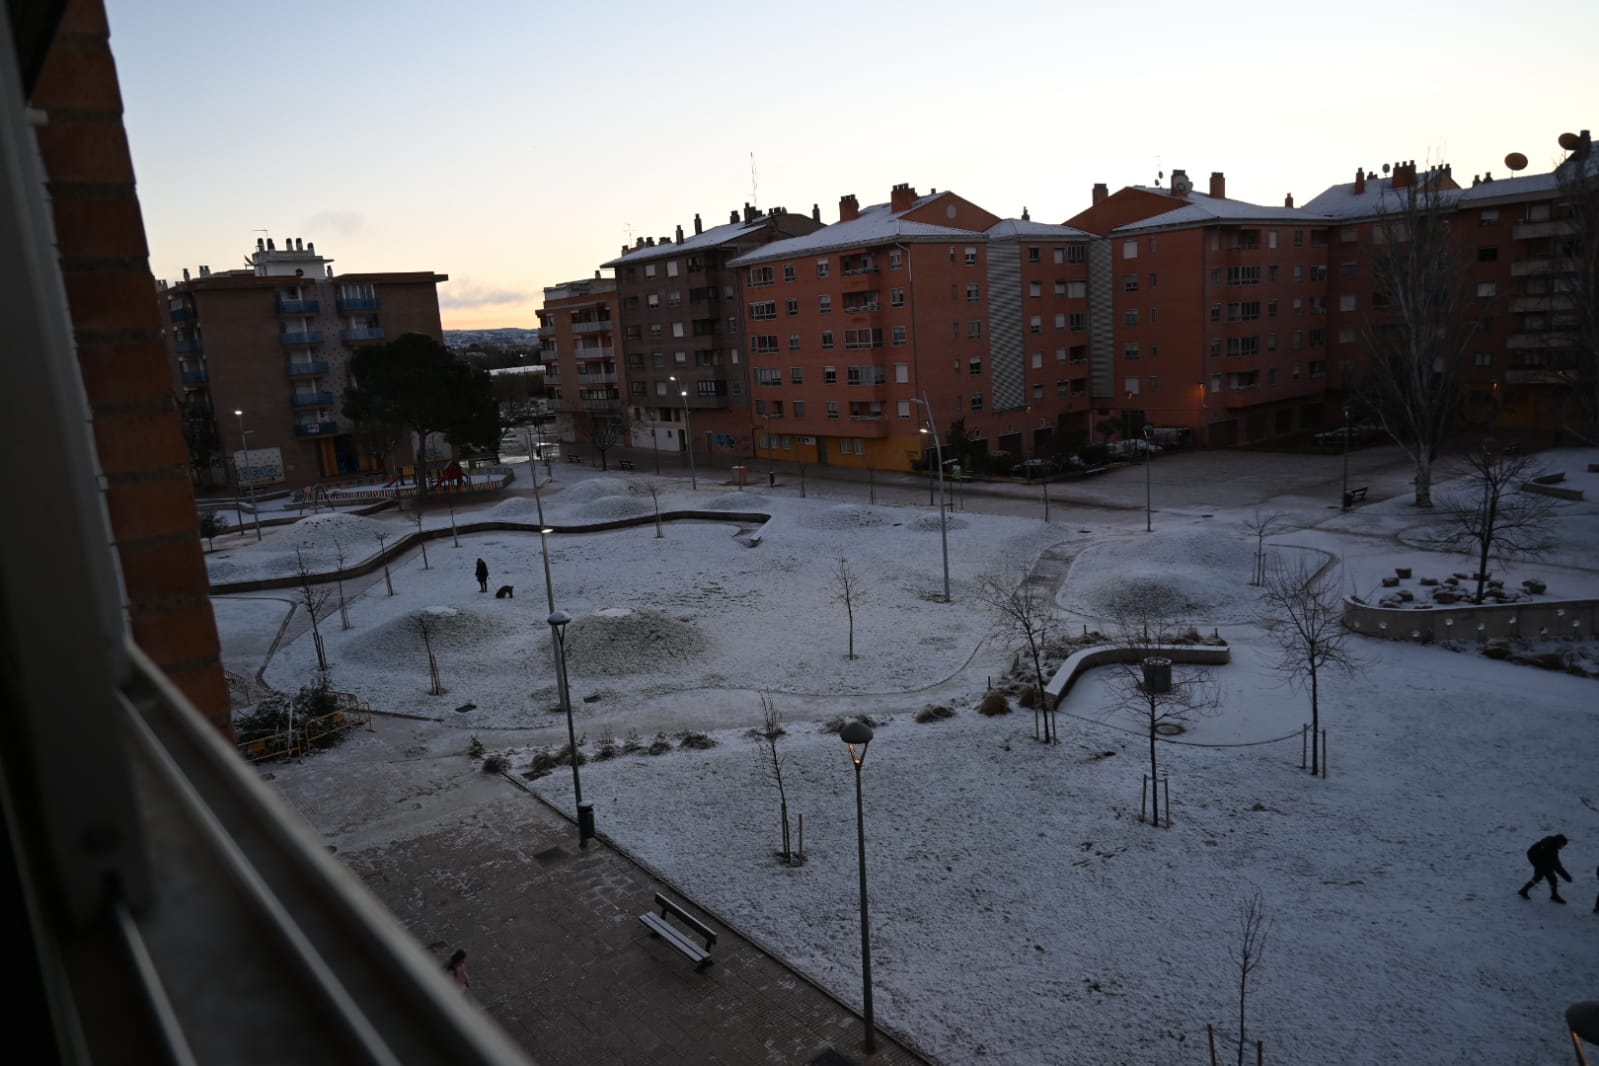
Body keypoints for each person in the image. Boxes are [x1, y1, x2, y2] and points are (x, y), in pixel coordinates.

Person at [1518, 833, 1572, 903]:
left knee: (1550, 878)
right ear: (1559, 842)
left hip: (1539, 858)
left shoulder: (1551, 843)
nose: (1562, 847)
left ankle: (1554, 895)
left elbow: (1555, 863)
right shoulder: (1551, 849)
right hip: (1538, 860)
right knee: (1543, 877)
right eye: (1562, 845)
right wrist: (1566, 876)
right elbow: (1557, 865)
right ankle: (1524, 890)